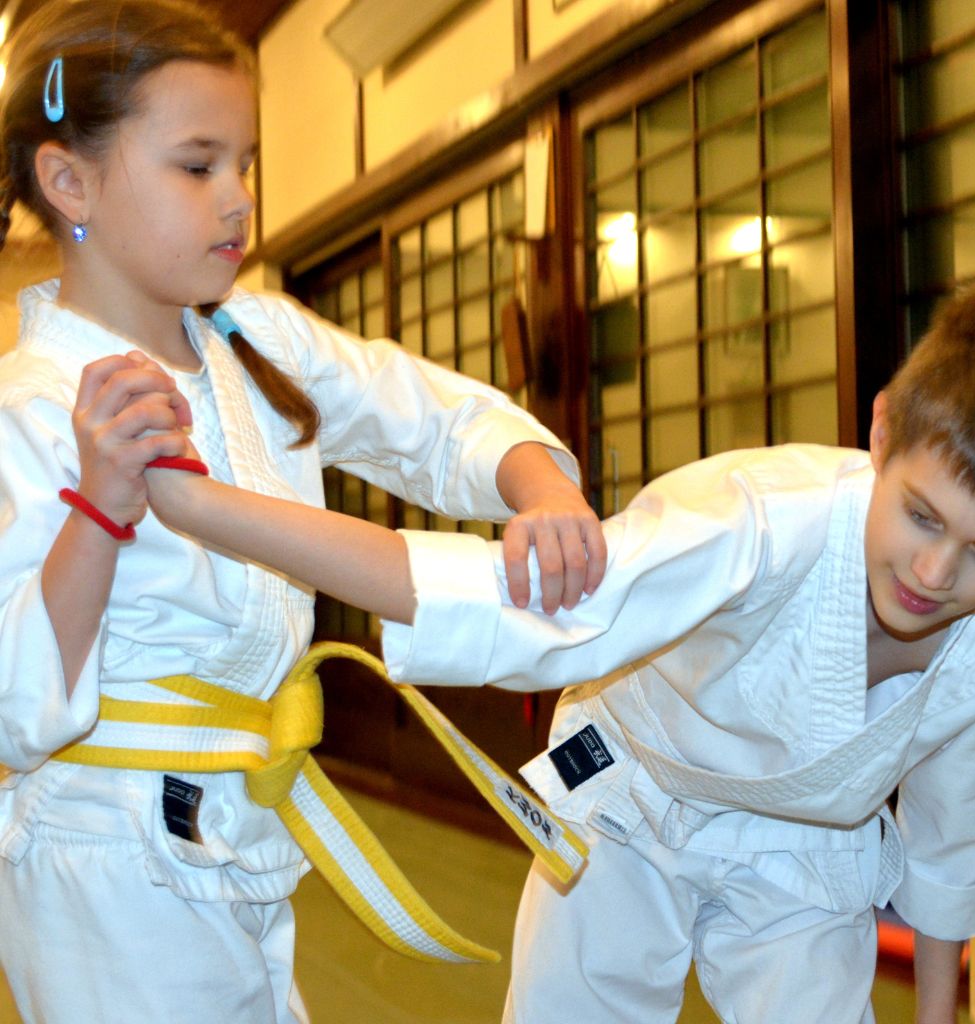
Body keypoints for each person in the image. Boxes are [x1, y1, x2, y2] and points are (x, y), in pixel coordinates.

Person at [142, 286, 975, 1024]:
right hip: (633, 796)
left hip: (807, 851)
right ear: (880, 435)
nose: (936, 572)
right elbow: (531, 607)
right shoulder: (757, 519)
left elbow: (953, 856)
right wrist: (208, 510)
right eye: (922, 516)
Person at [0, 2, 607, 1021]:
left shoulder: (257, 336)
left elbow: (431, 420)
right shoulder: (30, 405)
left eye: (246, 163)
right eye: (198, 166)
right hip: (102, 853)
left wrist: (536, 483)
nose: (240, 200)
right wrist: (98, 511)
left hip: (246, 813)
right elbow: (15, 703)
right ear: (70, 182)